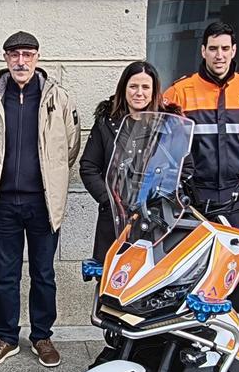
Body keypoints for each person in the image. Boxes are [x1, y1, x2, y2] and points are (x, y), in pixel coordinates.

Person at [0, 31, 81, 369]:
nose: (21, 61)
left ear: (37, 57)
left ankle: (41, 336)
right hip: (4, 202)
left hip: (43, 203)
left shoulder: (58, 97)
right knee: (5, 275)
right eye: (14, 55)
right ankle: (7, 338)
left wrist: (50, 177)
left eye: (27, 54)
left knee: (43, 273)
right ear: (5, 58)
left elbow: (71, 147)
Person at [80, 61, 191, 262]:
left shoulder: (169, 124)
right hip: (115, 218)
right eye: (133, 86)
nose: (139, 93)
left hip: (156, 219)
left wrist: (164, 194)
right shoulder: (106, 122)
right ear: (124, 88)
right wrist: (108, 199)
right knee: (112, 275)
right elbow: (88, 167)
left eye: (145, 87)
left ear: (154, 91)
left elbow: (186, 167)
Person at [162, 22, 239, 230]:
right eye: (213, 48)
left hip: (233, 195)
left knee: (235, 250)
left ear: (233, 50)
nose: (219, 55)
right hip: (194, 195)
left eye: (225, 48)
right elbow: (166, 148)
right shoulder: (179, 91)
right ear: (203, 51)